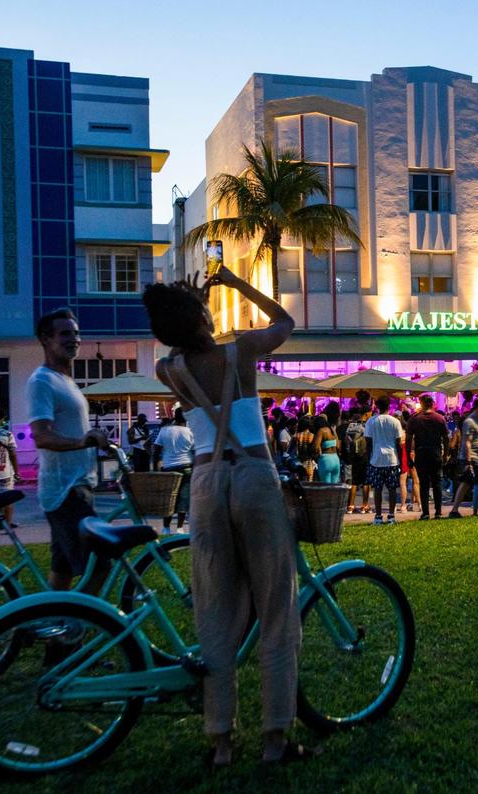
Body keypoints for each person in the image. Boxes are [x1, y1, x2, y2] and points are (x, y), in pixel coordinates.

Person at [143, 267, 308, 768]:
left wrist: (190, 308)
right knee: (277, 612)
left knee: (214, 614)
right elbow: (286, 321)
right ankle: (276, 738)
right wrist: (236, 287)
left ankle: (220, 741)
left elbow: (174, 345)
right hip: (254, 477)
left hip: (207, 484)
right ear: (201, 313)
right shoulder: (241, 352)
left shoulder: (169, 370)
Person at [26, 308, 112, 592]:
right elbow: (41, 436)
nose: (74, 339)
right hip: (66, 491)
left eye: (76, 333)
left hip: (79, 485)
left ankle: (52, 629)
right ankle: (75, 630)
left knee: (61, 571)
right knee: (99, 567)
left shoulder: (66, 381)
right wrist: (83, 442)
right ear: (45, 340)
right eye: (65, 333)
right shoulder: (42, 381)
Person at [405, 394, 449, 520]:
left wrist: (408, 456)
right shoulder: (440, 418)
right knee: (437, 483)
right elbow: (446, 438)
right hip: (435, 453)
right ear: (433, 404)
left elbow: (408, 439)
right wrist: (445, 454)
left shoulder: (414, 419)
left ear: (422, 403)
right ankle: (438, 512)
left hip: (421, 453)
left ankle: (425, 512)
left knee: (423, 484)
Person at [364, 395, 405, 524]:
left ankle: (378, 516)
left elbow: (368, 441)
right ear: (389, 406)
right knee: (392, 488)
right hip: (392, 459)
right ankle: (391, 515)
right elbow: (399, 442)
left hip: (376, 459)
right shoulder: (395, 421)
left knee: (377, 489)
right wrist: (400, 457)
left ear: (377, 406)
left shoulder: (371, 421)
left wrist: (368, 456)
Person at [153, 408, 195, 532]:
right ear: (186, 417)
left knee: (169, 498)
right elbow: (195, 451)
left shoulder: (164, 430)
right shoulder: (190, 432)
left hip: (169, 468)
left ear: (174, 416)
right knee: (184, 498)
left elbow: (156, 450)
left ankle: (166, 528)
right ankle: (180, 528)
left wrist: (156, 467)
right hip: (187, 467)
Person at [343, 410, 371, 513]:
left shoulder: (351, 426)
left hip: (353, 456)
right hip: (364, 456)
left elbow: (346, 441)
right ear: (366, 414)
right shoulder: (366, 426)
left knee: (354, 481)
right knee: (365, 482)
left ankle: (351, 506)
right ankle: (364, 505)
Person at [312, 414, 341, 484]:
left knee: (326, 487)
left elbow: (315, 447)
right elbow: (338, 446)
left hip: (325, 460)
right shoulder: (332, 430)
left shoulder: (321, 431)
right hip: (336, 459)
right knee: (334, 487)